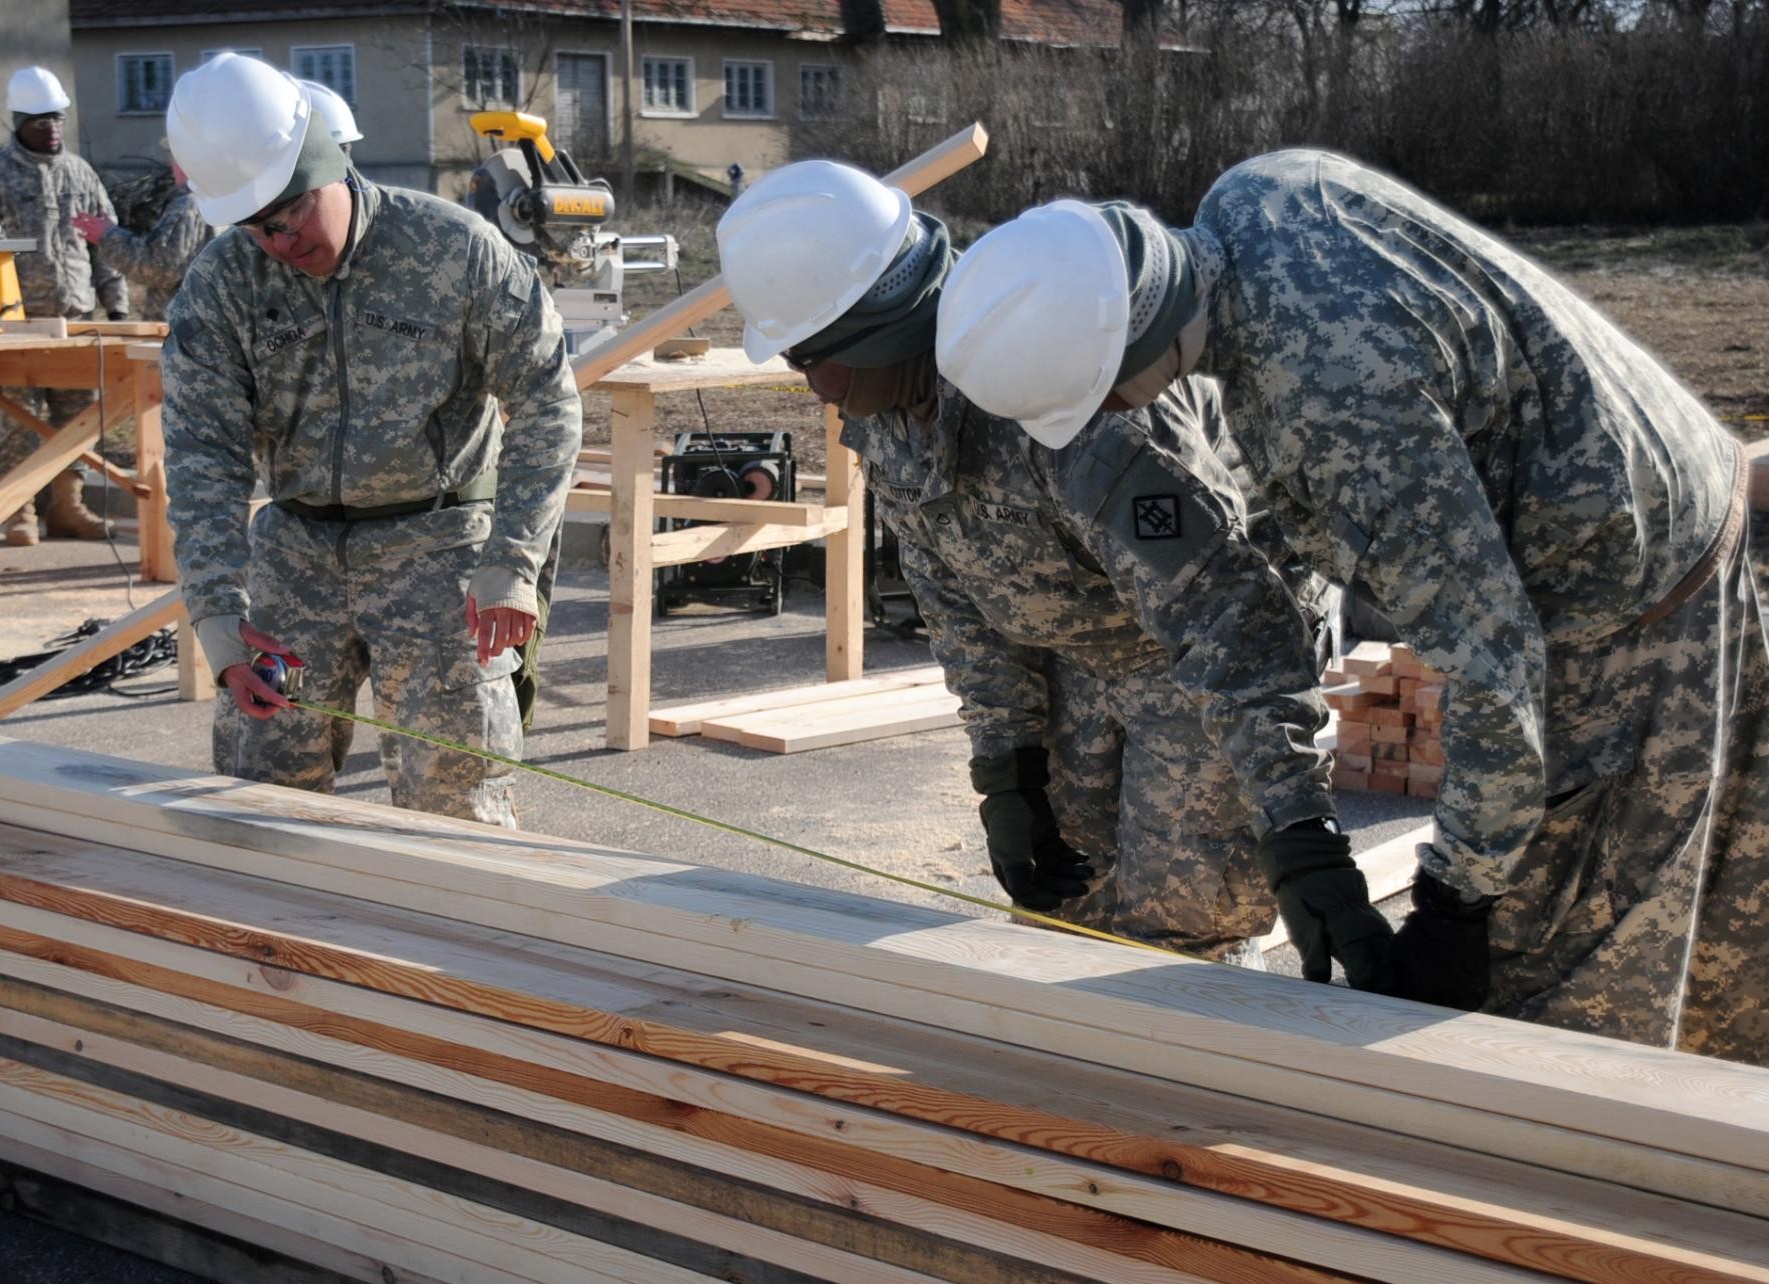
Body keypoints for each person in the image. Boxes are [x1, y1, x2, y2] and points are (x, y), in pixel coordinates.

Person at [935, 153, 1769, 1065]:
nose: (1119, 413)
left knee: (1569, 978)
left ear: (1134, 351)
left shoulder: (1331, 410)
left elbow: (1492, 665)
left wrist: (1455, 903)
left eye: (1103, 396)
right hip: (1655, 508)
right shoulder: (1253, 195)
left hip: (1635, 597)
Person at [719, 161, 1390, 979]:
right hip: (1085, 650)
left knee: (1180, 925)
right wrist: (1007, 772)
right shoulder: (888, 414)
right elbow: (957, 599)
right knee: (1063, 911)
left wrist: (1295, 827)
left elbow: (1231, 620)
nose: (811, 389)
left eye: (806, 360)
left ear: (872, 328)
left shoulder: (1058, 380)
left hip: (1203, 662)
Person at [159, 53, 581, 826]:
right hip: (294, 553)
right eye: (255, 227)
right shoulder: (223, 283)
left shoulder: (455, 248)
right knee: (259, 792)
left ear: (328, 164)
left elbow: (548, 402)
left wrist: (512, 562)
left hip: (439, 547)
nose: (277, 242)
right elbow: (200, 452)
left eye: (288, 216)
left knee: (454, 801)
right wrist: (218, 613)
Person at [0, 65, 129, 545]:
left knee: (77, 419)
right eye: (40, 121)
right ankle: (17, 512)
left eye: (57, 119)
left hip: (77, 317)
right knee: (21, 419)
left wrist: (117, 307)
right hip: (14, 323)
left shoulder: (80, 172)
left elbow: (108, 245)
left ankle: (68, 508)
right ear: (20, 123)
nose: (52, 128)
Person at [72, 154, 211, 321]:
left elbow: (160, 268)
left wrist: (107, 236)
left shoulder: (187, 205)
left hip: (184, 328)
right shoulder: (218, 202)